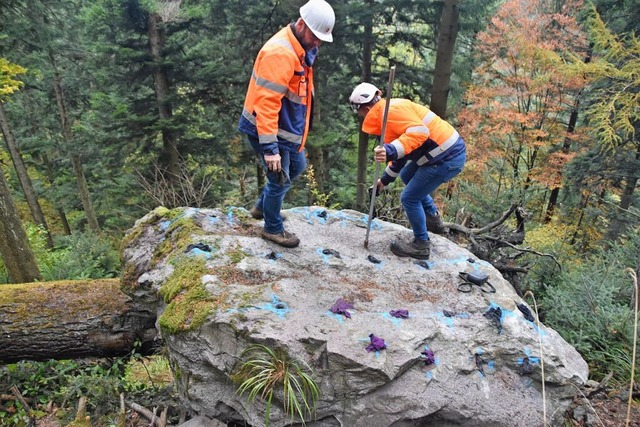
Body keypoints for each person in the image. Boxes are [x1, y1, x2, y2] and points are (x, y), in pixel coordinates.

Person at [238, 0, 335, 248]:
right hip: (269, 131)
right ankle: (272, 228)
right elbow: (267, 103)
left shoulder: (299, 47)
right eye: (315, 36)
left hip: (284, 131)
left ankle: (263, 207)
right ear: (301, 24)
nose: (318, 43)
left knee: (298, 165)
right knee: (280, 179)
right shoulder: (280, 54)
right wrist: (270, 149)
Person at [349, 82, 467, 259]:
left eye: (358, 112)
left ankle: (421, 245)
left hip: (446, 158)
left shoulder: (390, 113)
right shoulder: (387, 111)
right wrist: (383, 181)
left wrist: (389, 151)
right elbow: (401, 154)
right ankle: (433, 222)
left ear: (365, 109)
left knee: (409, 198)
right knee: (406, 174)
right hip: (441, 154)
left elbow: (419, 133)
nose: (359, 116)